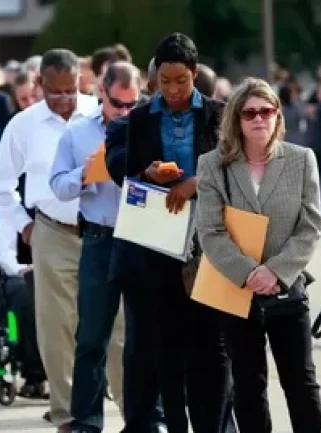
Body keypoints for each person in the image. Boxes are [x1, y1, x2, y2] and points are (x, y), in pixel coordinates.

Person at [106, 33, 231, 433]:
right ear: (154, 78)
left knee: (211, 345)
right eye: (166, 81)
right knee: (165, 344)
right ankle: (174, 424)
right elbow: (127, 175)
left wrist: (196, 182)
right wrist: (149, 174)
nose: (174, 90)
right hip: (158, 241)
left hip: (210, 238)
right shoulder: (141, 118)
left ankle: (214, 424)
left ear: (195, 75)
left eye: (182, 80)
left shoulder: (217, 113)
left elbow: (235, 167)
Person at [196, 78, 321, 432]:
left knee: (301, 382)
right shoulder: (213, 165)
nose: (258, 119)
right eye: (249, 113)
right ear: (236, 119)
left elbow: (310, 226)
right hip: (237, 291)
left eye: (266, 111)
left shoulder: (301, 160)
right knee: (249, 386)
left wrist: (275, 272)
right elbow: (209, 231)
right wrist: (250, 273)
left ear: (277, 115)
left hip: (287, 288)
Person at [0, 49, 98, 433]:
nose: (65, 99)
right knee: (56, 327)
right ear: (40, 85)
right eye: (56, 92)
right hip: (51, 231)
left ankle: (127, 405)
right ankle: (66, 413)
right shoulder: (24, 125)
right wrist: (24, 226)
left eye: (72, 90)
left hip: (101, 231)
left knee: (113, 322)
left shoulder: (99, 115)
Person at [49, 61, 139, 433]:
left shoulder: (148, 125)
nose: (125, 113)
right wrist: (85, 174)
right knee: (92, 336)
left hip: (140, 239)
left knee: (143, 333)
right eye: (119, 104)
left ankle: (149, 417)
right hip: (100, 238)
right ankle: (86, 420)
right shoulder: (78, 132)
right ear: (102, 92)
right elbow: (57, 185)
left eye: (132, 104)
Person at [0, 216, 47, 398]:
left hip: (61, 271)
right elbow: (3, 253)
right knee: (25, 292)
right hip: (21, 273)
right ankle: (34, 373)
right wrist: (22, 268)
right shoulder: (14, 210)